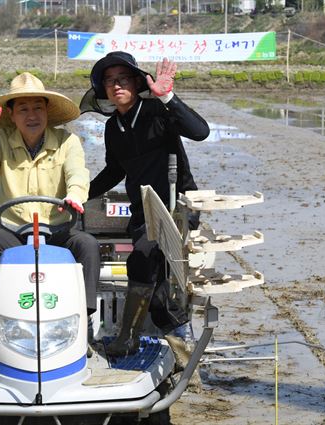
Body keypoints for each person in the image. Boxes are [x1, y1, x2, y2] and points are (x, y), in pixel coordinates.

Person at [0, 72, 100, 360]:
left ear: (47, 111)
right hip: (12, 232)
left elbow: (78, 173)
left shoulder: (67, 141)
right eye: (23, 109)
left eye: (37, 107)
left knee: (87, 245)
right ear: (11, 114)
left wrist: (74, 195)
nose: (32, 115)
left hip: (58, 230)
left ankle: (82, 324)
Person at [80, 52, 210, 358]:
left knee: (144, 258)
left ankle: (130, 337)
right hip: (143, 211)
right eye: (110, 81)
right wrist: (79, 194)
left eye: (123, 78)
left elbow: (200, 132)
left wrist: (168, 97)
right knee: (153, 278)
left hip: (177, 207)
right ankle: (182, 345)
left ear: (138, 82)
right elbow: (115, 170)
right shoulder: (114, 127)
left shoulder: (156, 111)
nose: (116, 85)